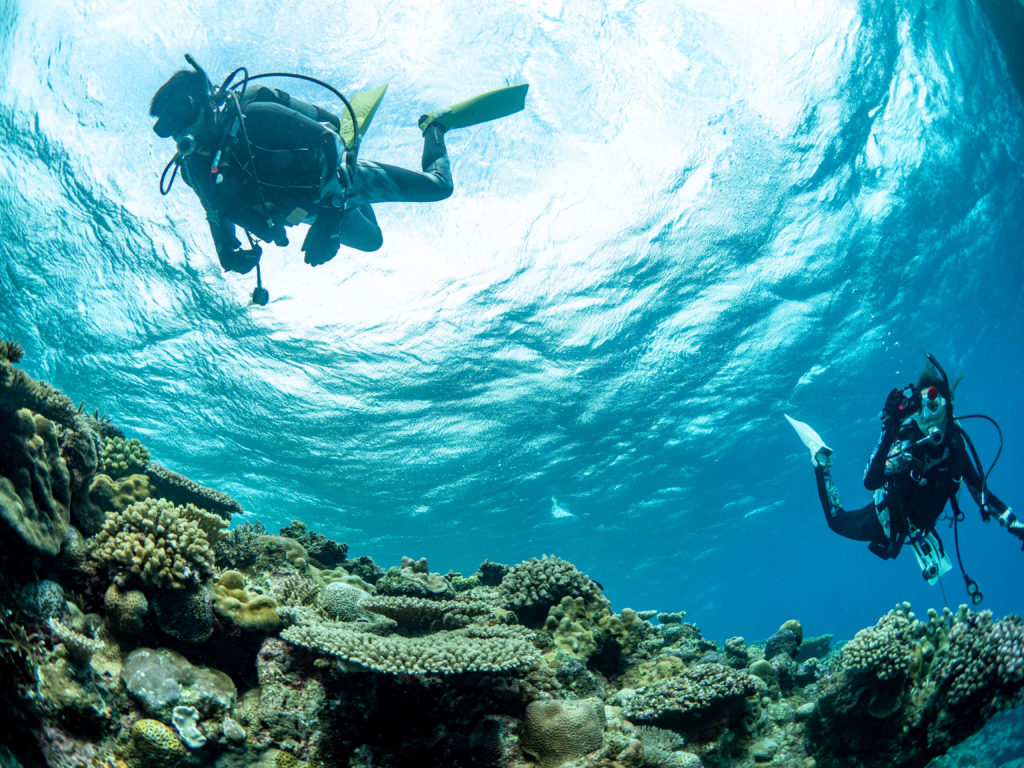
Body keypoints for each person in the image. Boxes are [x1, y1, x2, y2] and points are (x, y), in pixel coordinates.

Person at [150, 63, 528, 278]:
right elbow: (215, 210)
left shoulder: (255, 116)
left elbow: (328, 141)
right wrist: (225, 248)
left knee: (439, 188)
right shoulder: (193, 170)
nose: (180, 130)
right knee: (374, 241)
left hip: (339, 178)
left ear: (206, 101)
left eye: (182, 111)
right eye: (166, 126)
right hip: (309, 210)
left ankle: (434, 126)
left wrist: (330, 221)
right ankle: (347, 204)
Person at [786, 355, 1022, 591]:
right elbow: (870, 482)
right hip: (889, 517)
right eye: (921, 409)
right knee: (837, 521)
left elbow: (980, 492)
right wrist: (889, 429)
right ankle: (820, 459)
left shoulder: (955, 447)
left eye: (933, 405)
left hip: (921, 523)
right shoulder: (910, 443)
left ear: (947, 406)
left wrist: (1016, 526)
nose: (927, 417)